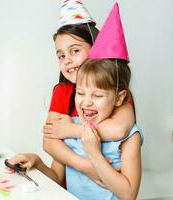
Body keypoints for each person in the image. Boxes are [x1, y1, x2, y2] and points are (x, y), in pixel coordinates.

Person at [8, 58, 142, 199]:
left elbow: (129, 195)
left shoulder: (130, 136)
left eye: (97, 95)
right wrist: (37, 162)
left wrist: (94, 154)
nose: (87, 102)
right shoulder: (69, 127)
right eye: (80, 93)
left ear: (119, 98)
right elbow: (56, 178)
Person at [43, 0, 135, 183]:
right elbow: (49, 142)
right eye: (61, 55)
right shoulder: (62, 91)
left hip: (106, 186)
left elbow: (118, 129)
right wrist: (87, 167)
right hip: (69, 184)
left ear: (96, 49)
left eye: (75, 51)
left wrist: (70, 129)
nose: (67, 60)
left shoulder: (115, 92)